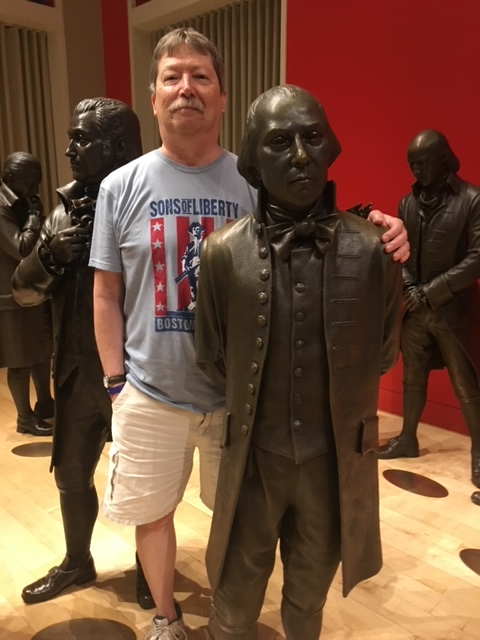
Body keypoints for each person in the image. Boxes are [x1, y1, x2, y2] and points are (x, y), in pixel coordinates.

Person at [89, 28, 408, 640]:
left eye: (201, 76)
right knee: (169, 523)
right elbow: (107, 292)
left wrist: (384, 230)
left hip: (242, 413)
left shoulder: (251, 183)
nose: (186, 88)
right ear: (152, 96)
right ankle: (165, 615)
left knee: (251, 544)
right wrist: (115, 382)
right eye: (172, 77)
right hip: (157, 391)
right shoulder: (122, 188)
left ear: (222, 96)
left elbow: (375, 337)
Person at [194, 84, 403, 640]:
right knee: (233, 604)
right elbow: (212, 358)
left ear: (332, 146)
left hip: (333, 466)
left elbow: (382, 353)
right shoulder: (219, 253)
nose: (302, 156)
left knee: (308, 602)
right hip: (253, 465)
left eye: (312, 138)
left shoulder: (374, 252)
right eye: (280, 142)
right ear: (253, 162)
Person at [11, 98, 149, 605]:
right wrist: (50, 254)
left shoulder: (146, 201)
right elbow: (22, 289)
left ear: (115, 148)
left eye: (81, 138)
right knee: (70, 473)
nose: (69, 149)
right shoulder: (61, 211)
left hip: (135, 372)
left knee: (141, 480)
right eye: (71, 137)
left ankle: (148, 569)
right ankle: (77, 562)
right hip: (74, 372)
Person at [378, 130, 480, 490]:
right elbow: (398, 247)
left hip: (454, 311)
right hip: (416, 309)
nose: (416, 169)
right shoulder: (407, 203)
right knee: (412, 377)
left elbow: (477, 258)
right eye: (412, 164)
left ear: (444, 160)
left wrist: (432, 291)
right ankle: (407, 438)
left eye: (422, 162)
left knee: (467, 384)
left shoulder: (472, 199)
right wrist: (407, 286)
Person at [0, 152, 53, 436]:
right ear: (10, 179)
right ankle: (24, 416)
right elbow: (21, 248)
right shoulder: (2, 207)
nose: (36, 187)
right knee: (20, 359)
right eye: (30, 181)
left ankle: (45, 403)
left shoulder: (21, 202)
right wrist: (34, 217)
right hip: (11, 297)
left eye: (38, 181)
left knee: (42, 352)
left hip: (33, 291)